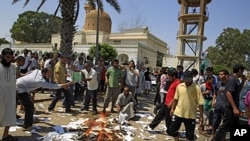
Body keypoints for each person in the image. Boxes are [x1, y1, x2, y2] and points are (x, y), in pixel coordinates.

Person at [168, 71, 204, 141]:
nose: (187, 81)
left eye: (189, 79)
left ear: (192, 78)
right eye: (186, 79)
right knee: (171, 130)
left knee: (190, 135)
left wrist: (201, 116)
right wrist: (172, 109)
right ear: (183, 78)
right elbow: (175, 99)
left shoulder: (196, 88)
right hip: (178, 113)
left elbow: (200, 103)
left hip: (190, 115)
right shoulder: (179, 86)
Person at [214, 64, 245, 141]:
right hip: (229, 107)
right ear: (240, 70)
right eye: (242, 71)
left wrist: (243, 82)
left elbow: (237, 91)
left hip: (234, 106)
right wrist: (234, 108)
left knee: (235, 124)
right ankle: (216, 139)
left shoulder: (236, 80)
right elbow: (228, 93)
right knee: (225, 125)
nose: (242, 73)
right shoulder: (231, 79)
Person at [0, 48, 18, 141]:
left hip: (10, 96)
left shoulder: (13, 67)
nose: (8, 59)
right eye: (7, 57)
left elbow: (14, 81)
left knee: (9, 115)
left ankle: (5, 135)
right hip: (1, 95)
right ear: (2, 56)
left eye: (10, 57)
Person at [210, 69, 229, 140]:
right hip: (218, 105)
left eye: (221, 74)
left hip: (226, 106)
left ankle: (222, 137)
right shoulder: (218, 83)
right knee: (215, 121)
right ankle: (212, 135)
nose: (220, 76)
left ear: (226, 75)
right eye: (219, 74)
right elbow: (215, 93)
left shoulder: (229, 84)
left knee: (225, 124)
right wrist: (213, 101)